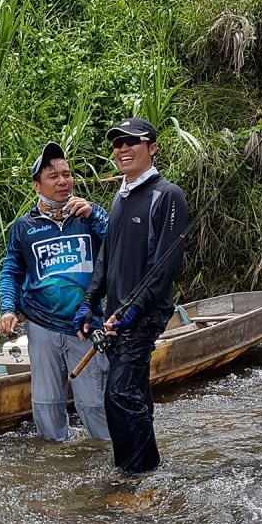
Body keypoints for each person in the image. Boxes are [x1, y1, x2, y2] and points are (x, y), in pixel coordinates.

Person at [77, 118, 188, 473]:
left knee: (119, 395)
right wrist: (89, 302)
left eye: (131, 142)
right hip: (117, 314)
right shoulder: (120, 197)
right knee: (134, 393)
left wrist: (133, 309)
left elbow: (166, 266)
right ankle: (147, 471)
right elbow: (106, 257)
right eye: (116, 144)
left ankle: (136, 473)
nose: (122, 149)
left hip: (143, 315)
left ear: (152, 147)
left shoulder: (167, 195)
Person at [0, 142, 110, 441]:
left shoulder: (89, 217)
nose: (63, 181)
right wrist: (8, 308)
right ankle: (55, 455)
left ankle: (108, 451)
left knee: (95, 402)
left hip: (86, 324)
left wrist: (95, 216)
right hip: (41, 325)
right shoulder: (24, 227)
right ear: (38, 186)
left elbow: (121, 245)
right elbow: (11, 271)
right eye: (53, 176)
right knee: (46, 402)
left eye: (67, 174)